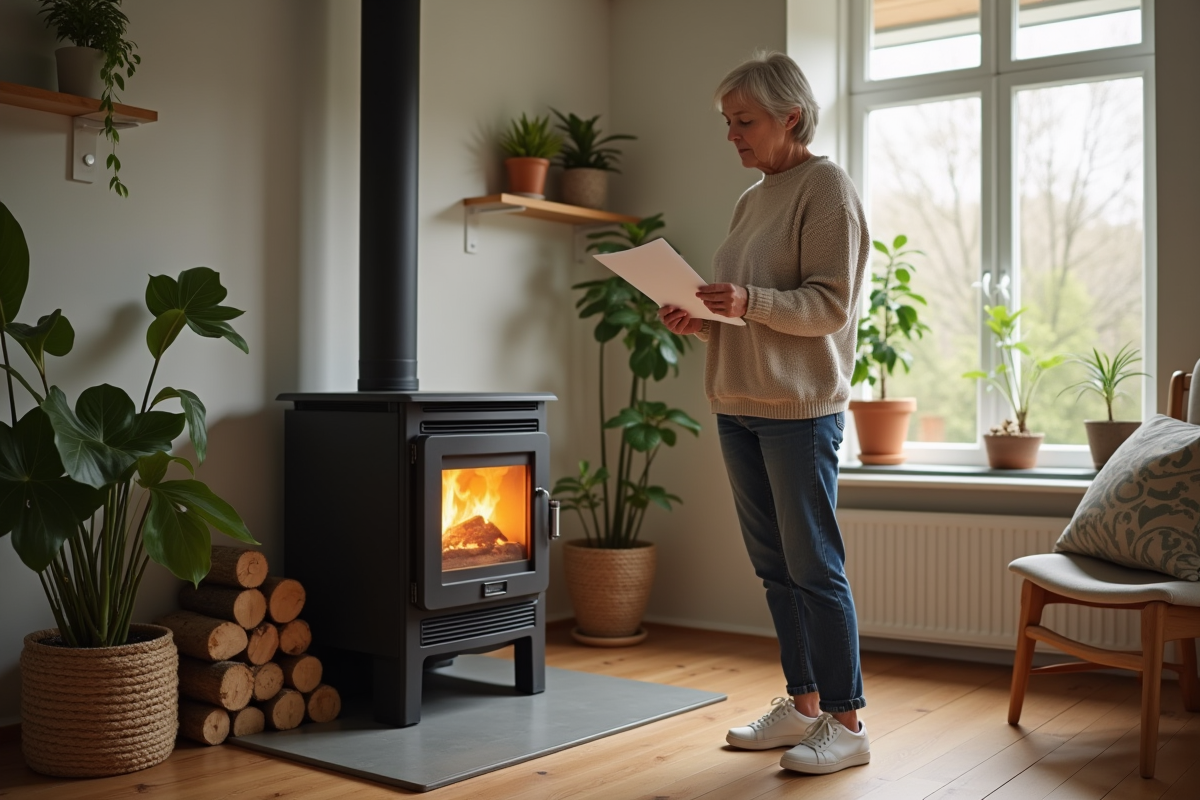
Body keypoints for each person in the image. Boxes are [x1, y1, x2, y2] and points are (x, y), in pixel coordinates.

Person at [658, 51, 870, 775]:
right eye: (727, 122)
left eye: (743, 121)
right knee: (776, 570)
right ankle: (803, 705)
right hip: (738, 403)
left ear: (791, 116)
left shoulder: (827, 188)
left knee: (815, 568)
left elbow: (830, 305)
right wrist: (704, 316)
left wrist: (748, 302)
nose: (732, 135)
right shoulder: (754, 199)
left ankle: (847, 722)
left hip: (799, 411)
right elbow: (749, 306)